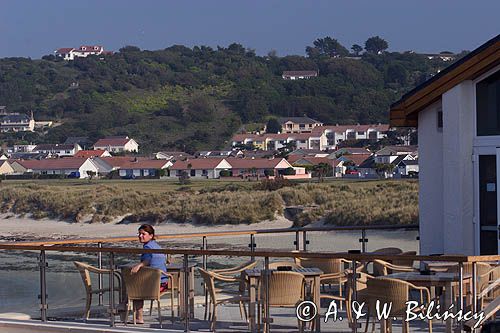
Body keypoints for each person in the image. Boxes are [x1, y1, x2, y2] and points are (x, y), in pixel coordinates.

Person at [130, 224, 167, 324]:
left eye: (143, 234)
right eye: (139, 234)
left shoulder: (147, 246)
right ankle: (125, 306)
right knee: (137, 284)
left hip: (157, 285)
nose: (140, 236)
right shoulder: (156, 245)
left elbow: (148, 260)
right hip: (164, 283)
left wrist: (139, 265)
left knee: (134, 289)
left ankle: (138, 316)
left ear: (151, 235)